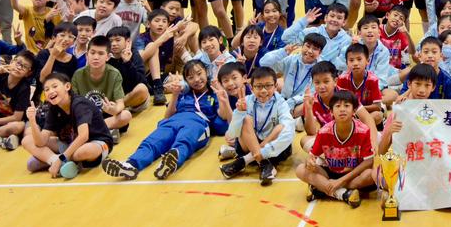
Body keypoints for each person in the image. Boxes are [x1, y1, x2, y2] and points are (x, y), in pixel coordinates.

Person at [105, 61, 235, 180]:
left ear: (206, 72)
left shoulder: (214, 93)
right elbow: (167, 116)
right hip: (173, 120)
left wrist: (222, 99)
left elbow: (223, 117)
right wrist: (175, 95)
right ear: (186, 81)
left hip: (198, 122)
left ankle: (171, 160)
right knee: (153, 141)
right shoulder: (183, 94)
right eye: (190, 77)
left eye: (199, 73)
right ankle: (130, 165)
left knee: (185, 140)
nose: (196, 79)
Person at [22, 73, 113, 178]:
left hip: (95, 142)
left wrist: (60, 159)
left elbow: (84, 136)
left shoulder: (79, 104)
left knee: (84, 152)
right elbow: (40, 142)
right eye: (46, 89)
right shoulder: (53, 108)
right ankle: (56, 161)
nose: (50, 91)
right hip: (69, 142)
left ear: (67, 86)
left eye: (55, 86)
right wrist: (32, 121)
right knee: (27, 140)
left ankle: (56, 160)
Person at [297, 90, 378, 205]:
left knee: (370, 174)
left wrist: (340, 181)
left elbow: (369, 161)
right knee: (301, 169)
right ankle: (343, 193)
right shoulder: (324, 132)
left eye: (347, 105)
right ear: (331, 112)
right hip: (331, 172)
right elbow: (312, 156)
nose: (342, 109)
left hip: (353, 174)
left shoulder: (363, 131)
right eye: (338, 106)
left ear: (354, 111)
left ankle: (322, 188)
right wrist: (310, 162)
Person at [220, 66, 293, 183]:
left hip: (274, 149)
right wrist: (239, 113)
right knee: (245, 119)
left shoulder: (281, 103)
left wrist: (264, 149)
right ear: (252, 88)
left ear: (275, 86)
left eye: (268, 86)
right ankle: (264, 164)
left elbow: (288, 131)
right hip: (248, 145)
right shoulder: (246, 101)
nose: (263, 90)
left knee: (281, 127)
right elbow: (232, 134)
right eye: (258, 86)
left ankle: (244, 161)